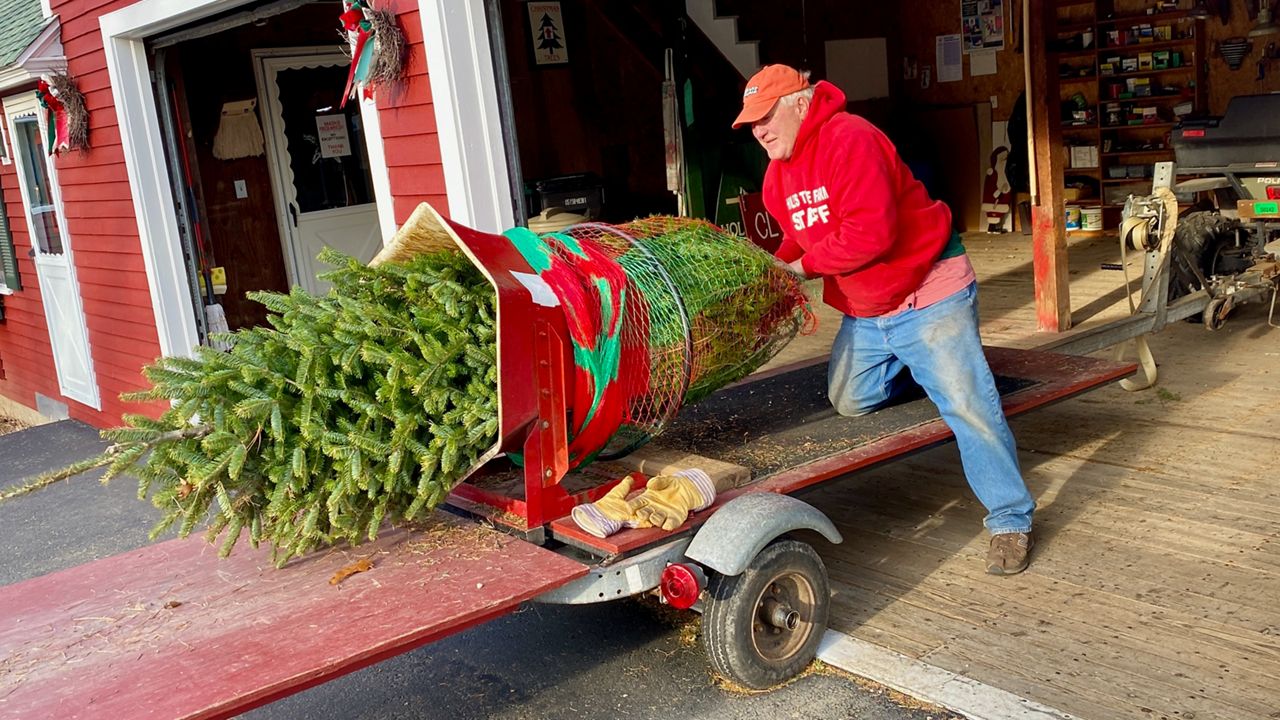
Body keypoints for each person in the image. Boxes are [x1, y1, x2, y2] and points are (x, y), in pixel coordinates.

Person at [733, 64, 1037, 575]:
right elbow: (795, 238)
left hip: (928, 291)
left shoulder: (851, 139)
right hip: (870, 309)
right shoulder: (775, 176)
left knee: (969, 406)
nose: (759, 130)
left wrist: (801, 269)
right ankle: (925, 372)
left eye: (766, 116)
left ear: (802, 104)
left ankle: (1010, 518)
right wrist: (771, 269)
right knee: (849, 399)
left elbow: (871, 233)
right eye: (751, 123)